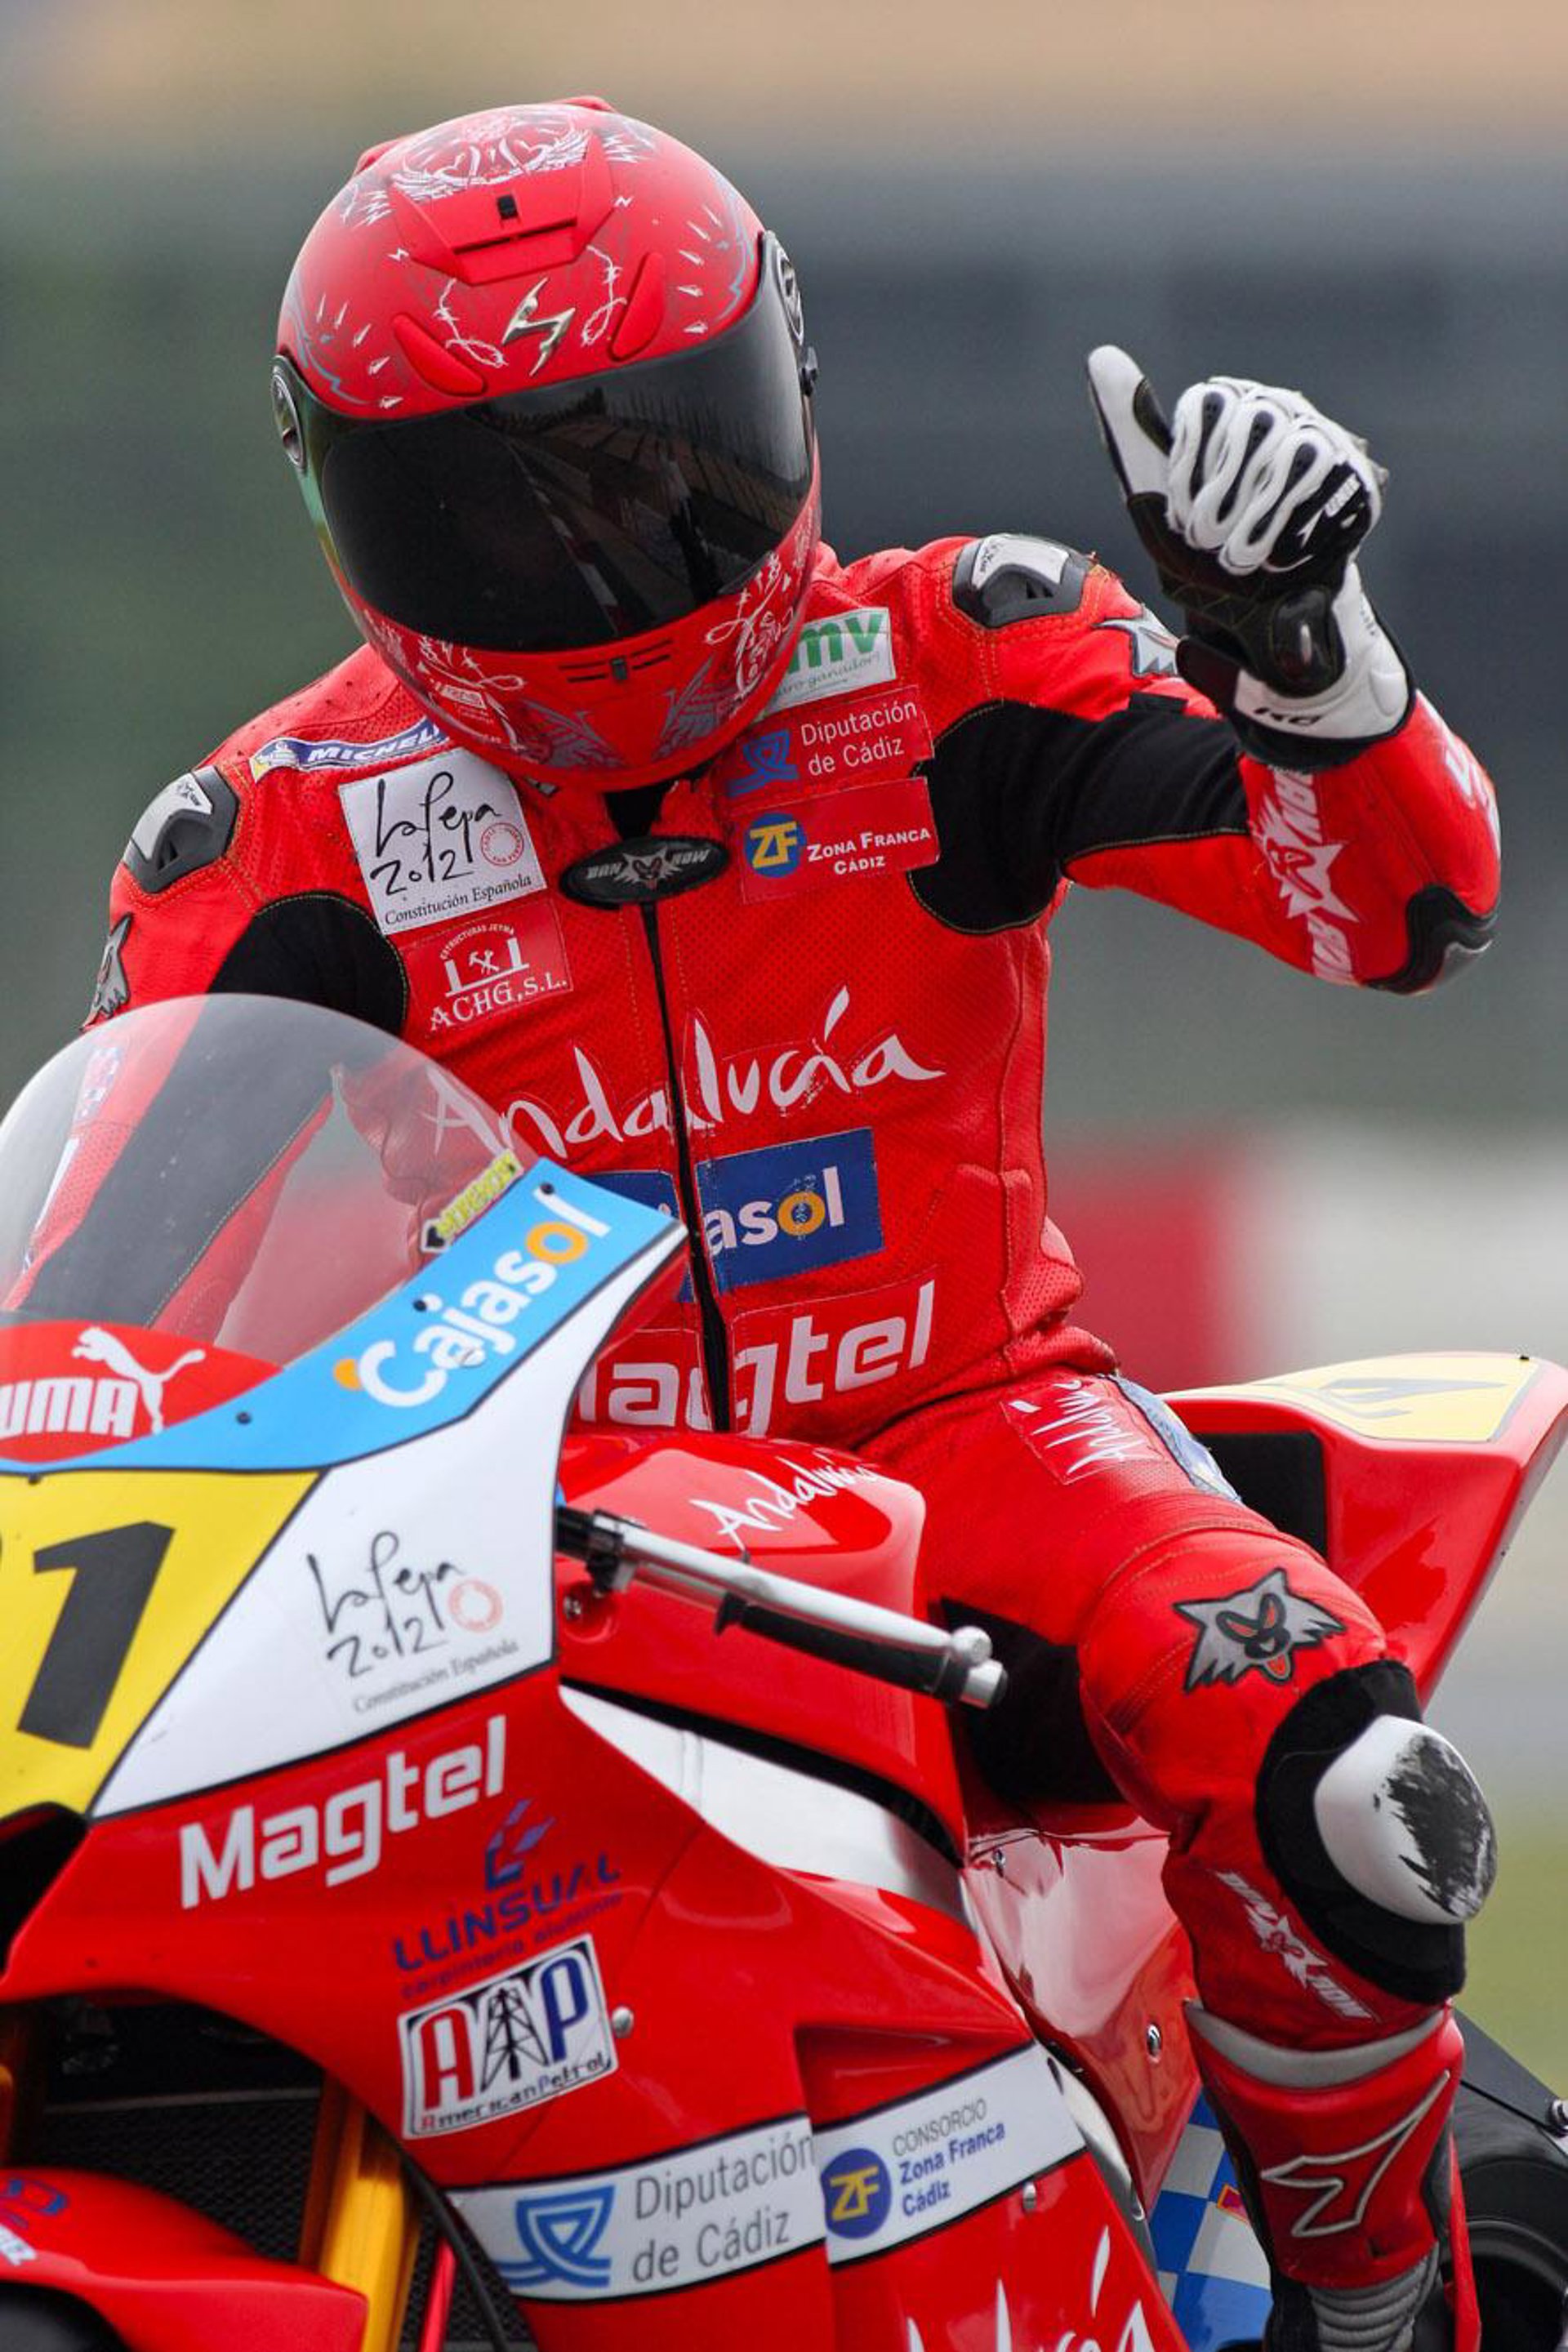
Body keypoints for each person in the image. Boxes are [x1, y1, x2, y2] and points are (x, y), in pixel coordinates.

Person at [86, 100, 1503, 2352]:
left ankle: (1374, 2304)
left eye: (657, 467)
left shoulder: (961, 659)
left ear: (787, 388)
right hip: (527, 1524)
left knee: (1349, 1786)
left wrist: (1307, 663)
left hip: (978, 1441)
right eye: (497, 505)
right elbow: (86, 1320)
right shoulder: (276, 841)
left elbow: (1401, 919)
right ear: (354, 505)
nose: (596, 560)